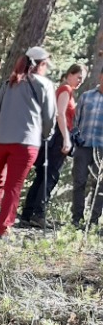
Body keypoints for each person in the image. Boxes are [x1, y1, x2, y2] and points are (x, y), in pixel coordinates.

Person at [0, 47, 56, 238]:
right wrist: (45, 136)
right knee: (13, 187)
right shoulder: (45, 85)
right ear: (41, 64)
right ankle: (3, 230)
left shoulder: (10, 82)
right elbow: (50, 117)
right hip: (26, 143)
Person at [19, 63, 87, 228]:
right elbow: (60, 115)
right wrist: (66, 139)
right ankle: (38, 214)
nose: (80, 82)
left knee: (43, 175)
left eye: (82, 79)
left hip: (55, 136)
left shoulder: (65, 90)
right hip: (58, 137)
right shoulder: (65, 90)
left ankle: (28, 214)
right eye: (78, 77)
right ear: (70, 73)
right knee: (50, 175)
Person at [71, 69, 103, 229]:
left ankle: (93, 221)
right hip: (83, 147)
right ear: (101, 76)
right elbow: (75, 120)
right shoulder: (87, 96)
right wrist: (75, 137)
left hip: (101, 150)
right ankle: (76, 219)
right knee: (79, 182)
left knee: (99, 185)